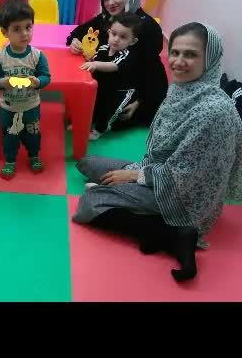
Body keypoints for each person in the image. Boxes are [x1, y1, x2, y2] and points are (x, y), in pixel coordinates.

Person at [72, 22, 242, 282]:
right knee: (87, 162)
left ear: (209, 59)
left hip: (184, 198)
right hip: (157, 171)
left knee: (88, 204)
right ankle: (147, 215)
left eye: (191, 54)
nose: (178, 61)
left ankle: (173, 234)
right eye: (175, 52)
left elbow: (185, 175)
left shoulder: (213, 111)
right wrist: (136, 172)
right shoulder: (183, 89)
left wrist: (132, 176)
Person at [66, 0, 168, 129]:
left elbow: (150, 70)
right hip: (105, 83)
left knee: (112, 119)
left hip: (132, 90)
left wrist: (139, 101)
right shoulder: (106, 18)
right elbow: (76, 33)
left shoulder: (147, 27)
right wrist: (75, 41)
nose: (110, 2)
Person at [0, 0, 51, 179]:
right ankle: (10, 160)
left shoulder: (37, 55)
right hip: (8, 108)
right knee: (9, 135)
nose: (24, 33)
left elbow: (46, 76)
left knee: (33, 134)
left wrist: (38, 81)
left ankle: (33, 156)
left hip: (31, 107)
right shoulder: (0, 56)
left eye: (28, 27)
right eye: (17, 29)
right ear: (4, 32)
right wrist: (2, 82)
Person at [81, 13, 141, 140]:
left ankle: (100, 130)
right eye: (114, 34)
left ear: (132, 41)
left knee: (108, 112)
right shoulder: (103, 48)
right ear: (109, 32)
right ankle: (88, 122)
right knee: (94, 105)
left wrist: (95, 64)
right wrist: (88, 59)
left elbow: (113, 65)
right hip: (102, 87)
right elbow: (94, 59)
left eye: (123, 37)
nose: (116, 39)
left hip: (119, 92)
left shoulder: (125, 54)